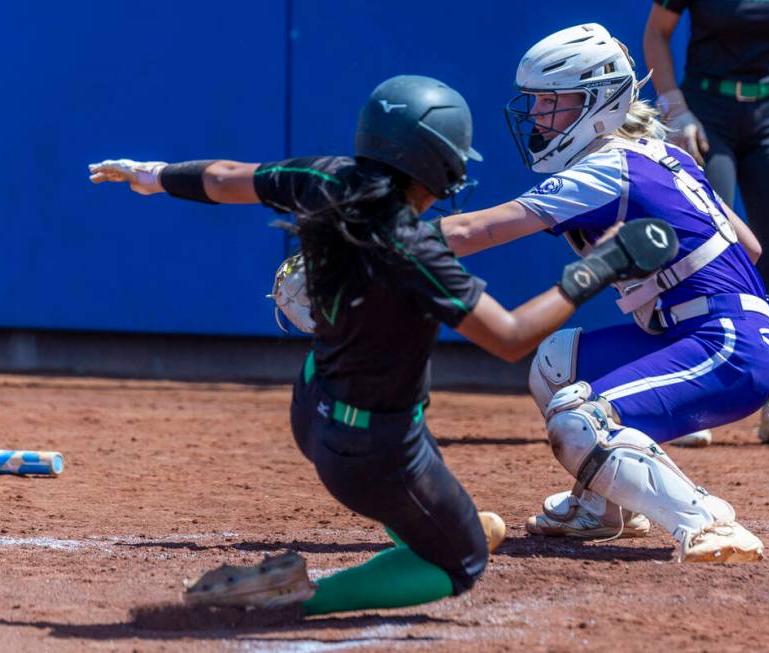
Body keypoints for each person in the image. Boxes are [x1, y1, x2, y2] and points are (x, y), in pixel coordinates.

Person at [88, 75, 681, 615]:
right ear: (437, 164)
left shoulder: (324, 178)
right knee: (460, 561)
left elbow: (221, 178)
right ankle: (297, 598)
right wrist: (603, 264)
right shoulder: (413, 247)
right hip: (372, 454)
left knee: (426, 478)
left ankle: (431, 520)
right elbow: (509, 338)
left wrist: (155, 175)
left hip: (313, 411)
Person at [439, 23, 769, 549]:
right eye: (536, 102)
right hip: (715, 332)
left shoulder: (606, 168)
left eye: (553, 102)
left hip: (727, 347)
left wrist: (366, 233)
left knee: (579, 420)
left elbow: (471, 231)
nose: (537, 116)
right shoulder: (661, 154)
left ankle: (709, 523)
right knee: (557, 365)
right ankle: (602, 507)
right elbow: (750, 249)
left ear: (598, 103)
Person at [644, 0, 769, 447]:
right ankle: (687, 402)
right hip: (705, 112)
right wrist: (674, 108)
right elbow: (656, 33)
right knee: (701, 254)